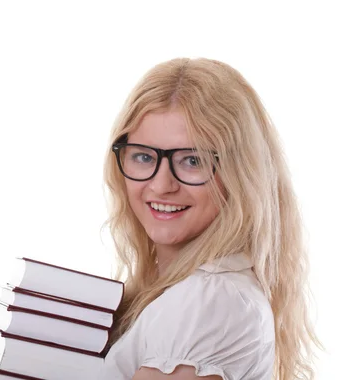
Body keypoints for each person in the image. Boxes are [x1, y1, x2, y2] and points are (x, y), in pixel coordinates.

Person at [98, 58, 321, 380]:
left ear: (240, 173)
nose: (161, 185)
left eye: (192, 160)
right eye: (144, 157)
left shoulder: (208, 301)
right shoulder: (184, 292)